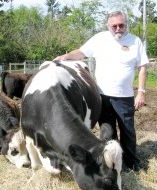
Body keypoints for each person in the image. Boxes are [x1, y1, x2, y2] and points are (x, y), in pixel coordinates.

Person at [54, 10, 149, 171]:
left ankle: (131, 162)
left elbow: (143, 67)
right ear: (108, 26)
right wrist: (65, 57)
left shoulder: (135, 41)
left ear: (126, 24)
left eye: (122, 25)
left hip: (125, 97)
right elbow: (81, 52)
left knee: (128, 131)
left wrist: (141, 92)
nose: (118, 28)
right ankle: (110, 163)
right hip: (102, 96)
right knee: (107, 132)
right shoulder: (99, 39)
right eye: (114, 26)